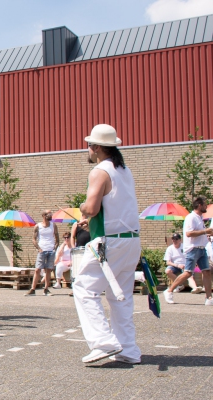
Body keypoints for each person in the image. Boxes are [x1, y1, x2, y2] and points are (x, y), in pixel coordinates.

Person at [73, 124, 141, 364]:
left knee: (84, 288)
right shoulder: (124, 170)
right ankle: (128, 349)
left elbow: (91, 208)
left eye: (89, 145)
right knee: (120, 296)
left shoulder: (100, 171)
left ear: (96, 147)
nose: (88, 149)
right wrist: (92, 221)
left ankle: (103, 342)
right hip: (130, 240)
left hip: (109, 242)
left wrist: (83, 208)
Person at [163, 196, 213, 306]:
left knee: (206, 272)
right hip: (192, 249)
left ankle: (209, 298)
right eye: (205, 204)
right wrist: (205, 231)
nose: (206, 207)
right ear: (200, 205)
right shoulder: (191, 217)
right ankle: (169, 291)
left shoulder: (199, 218)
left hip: (201, 249)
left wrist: (207, 233)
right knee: (188, 273)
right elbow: (189, 233)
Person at [27, 210, 59, 296]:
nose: (51, 215)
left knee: (48, 269)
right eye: (49, 213)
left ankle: (46, 289)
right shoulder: (38, 226)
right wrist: (39, 248)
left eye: (51, 213)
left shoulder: (53, 225)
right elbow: (34, 239)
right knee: (37, 269)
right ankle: (33, 289)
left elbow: (57, 238)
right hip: (42, 250)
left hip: (51, 250)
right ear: (44, 215)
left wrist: (55, 248)